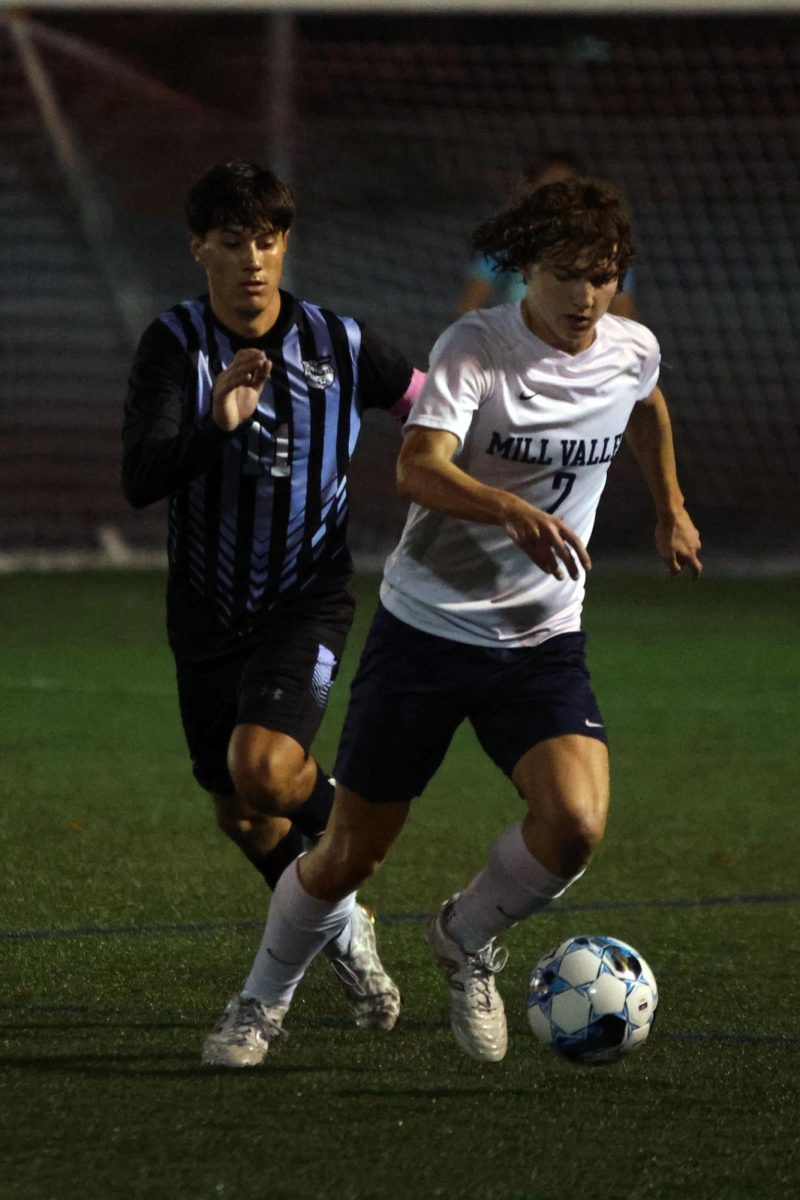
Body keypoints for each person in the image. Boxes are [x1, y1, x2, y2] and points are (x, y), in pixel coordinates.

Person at [202, 175, 702, 1068]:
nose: (586, 297)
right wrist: (507, 509)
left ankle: (464, 938)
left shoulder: (630, 349)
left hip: (542, 640)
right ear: (524, 273)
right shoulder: (477, 346)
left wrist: (669, 505)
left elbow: (648, 407)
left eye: (602, 275)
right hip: (427, 630)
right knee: (349, 856)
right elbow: (418, 468)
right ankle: (259, 1003)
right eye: (566, 275)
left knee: (576, 824)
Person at [122, 160, 426, 1038]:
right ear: (197, 250)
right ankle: (344, 926)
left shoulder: (340, 342)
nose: (253, 259)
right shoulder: (174, 346)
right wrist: (212, 427)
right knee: (243, 812)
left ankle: (355, 821)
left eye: (268, 240)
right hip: (207, 612)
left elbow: (432, 405)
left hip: (308, 598)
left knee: (264, 769)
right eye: (231, 242)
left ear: (285, 244)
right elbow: (141, 477)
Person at [456, 151, 638, 320]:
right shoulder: (509, 241)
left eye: (566, 187)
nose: (558, 198)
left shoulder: (605, 247)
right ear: (532, 190)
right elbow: (469, 304)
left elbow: (624, 313)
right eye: (550, 187)